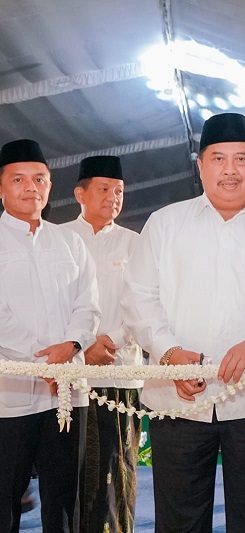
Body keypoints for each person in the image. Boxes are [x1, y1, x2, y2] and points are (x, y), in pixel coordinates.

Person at [121, 112, 245, 532]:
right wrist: (169, 352)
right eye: (219, 158)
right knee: (180, 519)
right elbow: (137, 296)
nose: (231, 170)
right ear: (201, 165)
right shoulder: (165, 224)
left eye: (241, 158)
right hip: (178, 396)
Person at [0, 139, 100, 532]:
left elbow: (89, 305)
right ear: (1, 187)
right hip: (9, 396)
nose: (31, 187)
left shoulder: (70, 242)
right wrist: (41, 361)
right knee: (5, 497)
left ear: (50, 185)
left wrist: (72, 346)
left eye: (39, 179)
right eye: (18, 179)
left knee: (64, 498)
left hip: (66, 391)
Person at [62, 155, 143, 533]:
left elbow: (144, 303)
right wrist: (82, 345)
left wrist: (110, 342)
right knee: (72, 468)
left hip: (119, 371)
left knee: (117, 467)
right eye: (104, 189)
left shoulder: (135, 244)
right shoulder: (59, 239)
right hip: (68, 375)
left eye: (119, 191)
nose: (113, 197)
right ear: (80, 194)